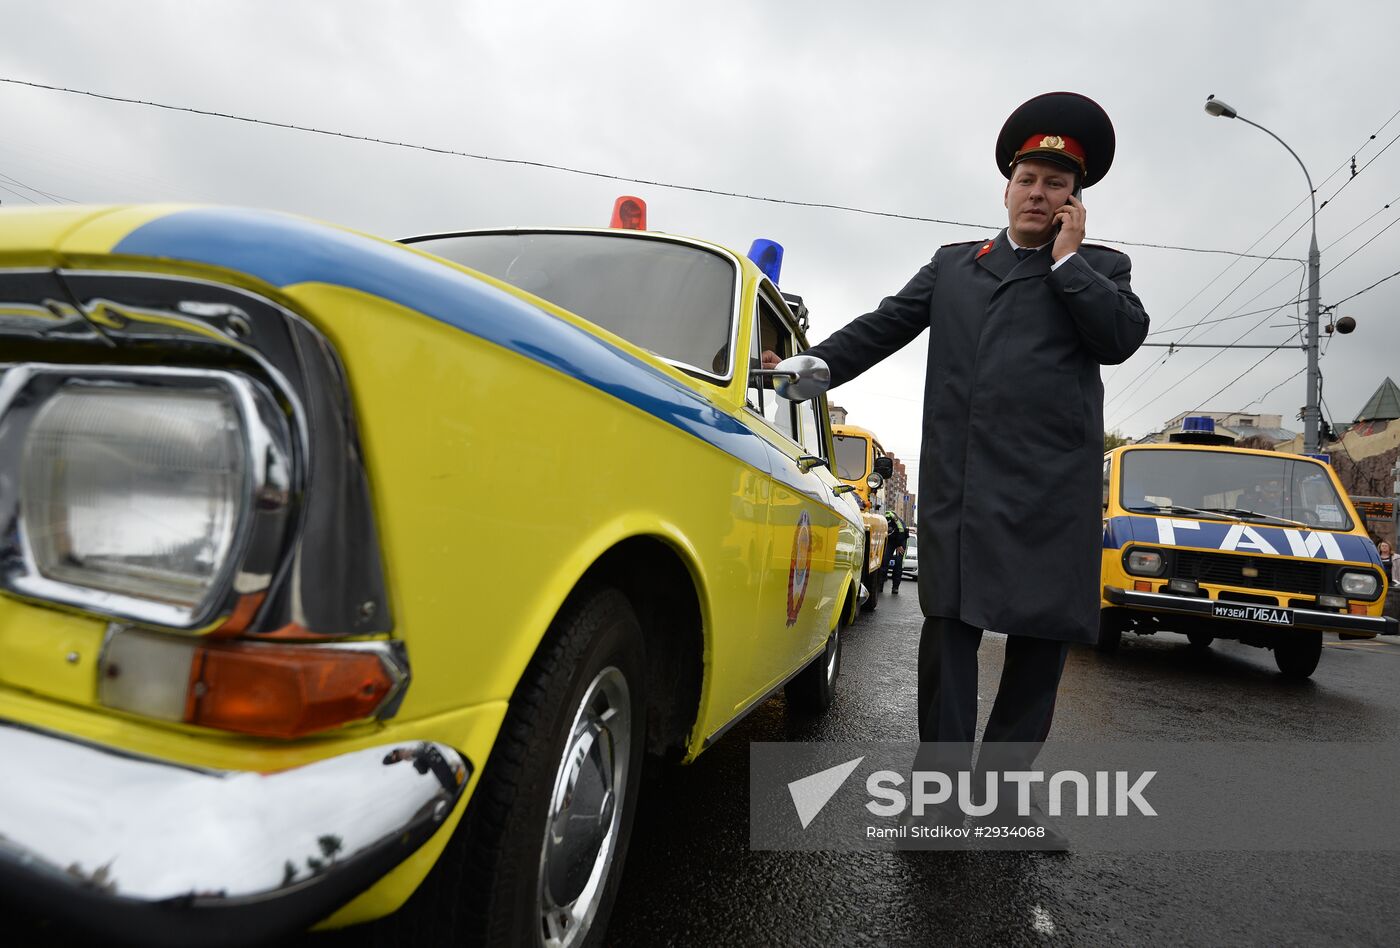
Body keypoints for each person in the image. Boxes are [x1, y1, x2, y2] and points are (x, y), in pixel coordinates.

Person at [766, 93, 1148, 833]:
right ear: (1007, 186)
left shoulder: (1101, 268)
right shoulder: (955, 268)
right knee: (949, 638)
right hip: (965, 490)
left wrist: (1068, 265)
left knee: (1039, 647)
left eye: (1057, 185)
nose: (1040, 194)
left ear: (1076, 201)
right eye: (1029, 179)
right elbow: (882, 326)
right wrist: (806, 366)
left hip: (1052, 493)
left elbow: (1120, 338)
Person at [882, 510, 910, 594]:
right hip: (891, 540)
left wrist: (899, 545)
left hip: (901, 540)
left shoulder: (895, 519)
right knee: (884, 560)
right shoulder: (882, 519)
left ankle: (895, 587)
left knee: (898, 562)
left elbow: (901, 531)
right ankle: (880, 584)